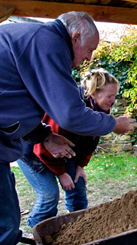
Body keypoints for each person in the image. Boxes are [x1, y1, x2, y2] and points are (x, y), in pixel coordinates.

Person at [0, 10, 137, 245]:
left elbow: (11, 98)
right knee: (6, 222)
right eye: (90, 49)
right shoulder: (48, 43)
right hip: (22, 153)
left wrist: (43, 135)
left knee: (7, 216)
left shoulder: (37, 41)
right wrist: (114, 124)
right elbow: (70, 115)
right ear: (74, 37)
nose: (90, 58)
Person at [18, 68, 119, 227]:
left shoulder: (100, 110)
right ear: (94, 94)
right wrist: (61, 173)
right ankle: (38, 230)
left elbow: (91, 142)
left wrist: (80, 166)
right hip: (32, 151)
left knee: (77, 187)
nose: (113, 100)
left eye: (114, 95)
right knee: (49, 195)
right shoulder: (69, 107)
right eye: (110, 96)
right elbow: (42, 149)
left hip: (62, 151)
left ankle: (78, 227)